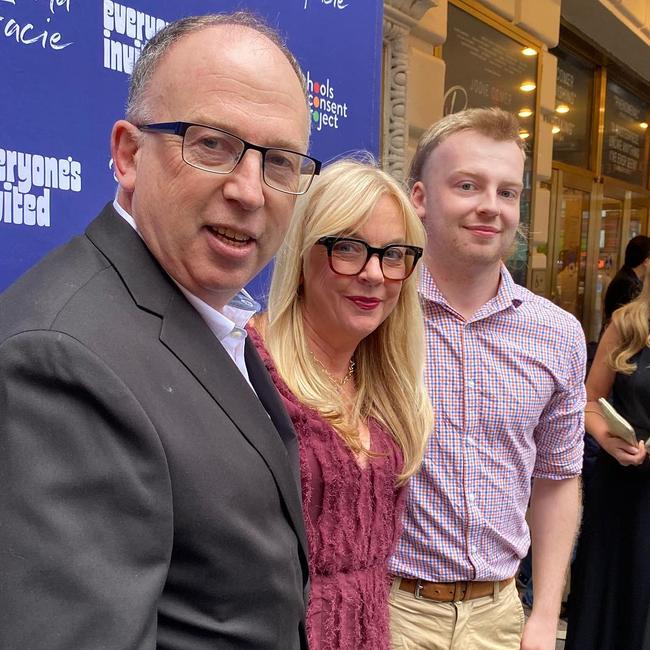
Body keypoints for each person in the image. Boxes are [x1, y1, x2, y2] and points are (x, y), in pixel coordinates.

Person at [0, 12, 320, 650]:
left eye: (279, 161)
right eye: (211, 144)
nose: (250, 191)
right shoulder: (63, 361)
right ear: (127, 154)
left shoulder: (196, 307)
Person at [388, 107, 586, 650]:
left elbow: (557, 478)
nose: (489, 208)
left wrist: (544, 615)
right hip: (390, 610)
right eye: (468, 185)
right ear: (421, 198)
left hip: (501, 615)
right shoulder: (376, 309)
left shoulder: (557, 334)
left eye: (507, 192)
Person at [250, 159, 432, 650]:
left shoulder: (388, 386)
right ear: (305, 252)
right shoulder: (249, 369)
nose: (374, 274)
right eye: (348, 248)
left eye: (393, 254)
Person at [565, 272, 650, 650]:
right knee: (608, 606)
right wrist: (606, 438)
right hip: (621, 491)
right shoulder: (628, 323)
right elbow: (589, 399)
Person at [602, 234, 650, 327]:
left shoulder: (628, 278)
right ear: (645, 260)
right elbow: (632, 320)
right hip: (619, 338)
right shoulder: (627, 284)